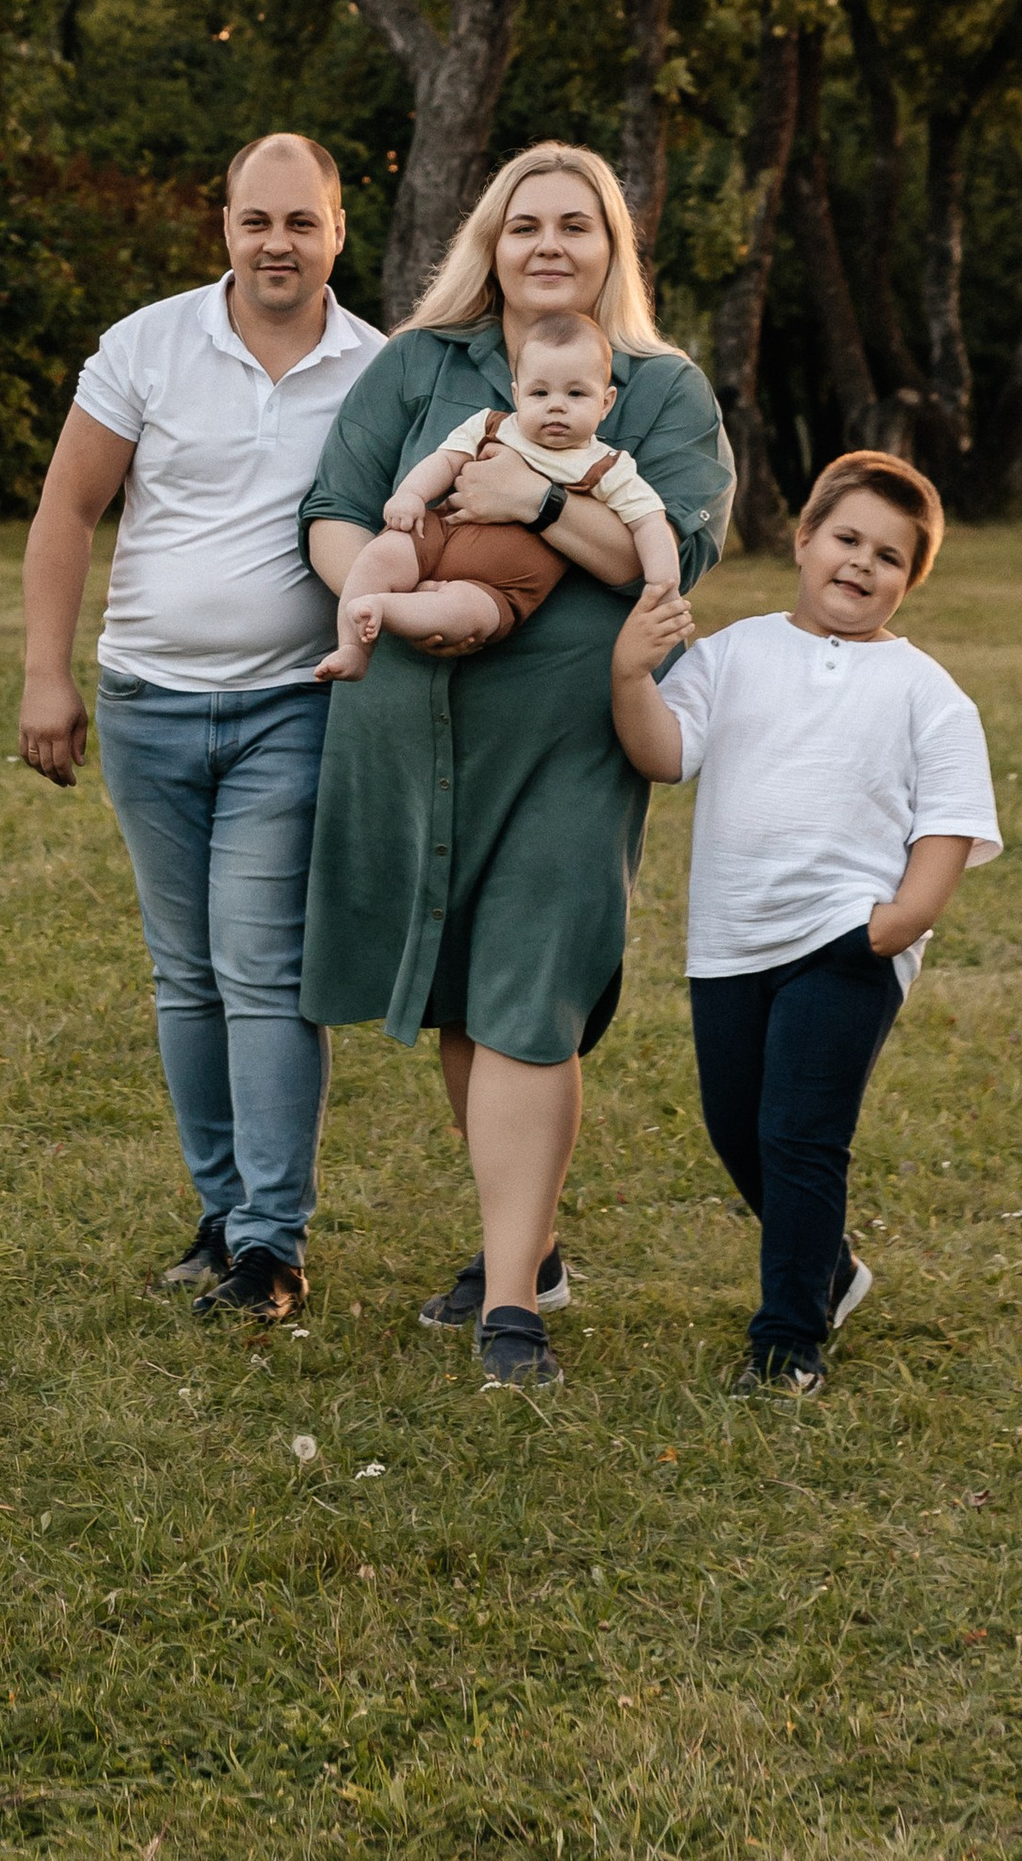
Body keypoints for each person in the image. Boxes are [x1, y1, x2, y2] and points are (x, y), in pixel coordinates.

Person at [297, 144, 734, 1388]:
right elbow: (334, 508)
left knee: (529, 999)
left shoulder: (656, 389)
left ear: (611, 252)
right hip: (412, 727)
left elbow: (670, 560)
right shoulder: (418, 367)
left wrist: (534, 507)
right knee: (458, 998)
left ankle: (509, 1316)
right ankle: (524, 1249)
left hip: (566, 747)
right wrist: (390, 594)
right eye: (524, 224)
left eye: (576, 227)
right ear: (488, 242)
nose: (550, 244)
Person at [20, 134, 384, 1323]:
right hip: (145, 705)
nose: (275, 242)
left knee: (262, 970)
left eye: (300, 221)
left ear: (338, 229)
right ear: (221, 225)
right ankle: (222, 1215)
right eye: (253, 220)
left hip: (294, 704)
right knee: (186, 978)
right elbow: (69, 508)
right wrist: (46, 675)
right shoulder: (147, 345)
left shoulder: (377, 370)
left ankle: (271, 1246)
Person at [610, 447, 1001, 1396]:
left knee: (799, 1134)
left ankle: (788, 1339)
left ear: (913, 580)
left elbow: (950, 822)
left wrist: (896, 925)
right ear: (804, 537)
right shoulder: (736, 652)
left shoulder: (927, 693)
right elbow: (666, 755)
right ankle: (828, 1267)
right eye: (848, 538)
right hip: (732, 940)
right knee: (734, 1127)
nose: (862, 565)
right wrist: (629, 676)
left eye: (891, 557)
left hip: (845, 943)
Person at [315, 309, 682, 679]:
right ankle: (353, 648)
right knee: (382, 553)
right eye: (540, 392)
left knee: (463, 612)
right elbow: (445, 462)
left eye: (576, 393)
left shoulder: (606, 467)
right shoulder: (493, 426)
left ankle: (384, 608)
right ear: (516, 394)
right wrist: (410, 494)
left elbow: (650, 522)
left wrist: (662, 584)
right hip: (438, 537)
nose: (556, 404)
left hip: (500, 588)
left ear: (605, 402)